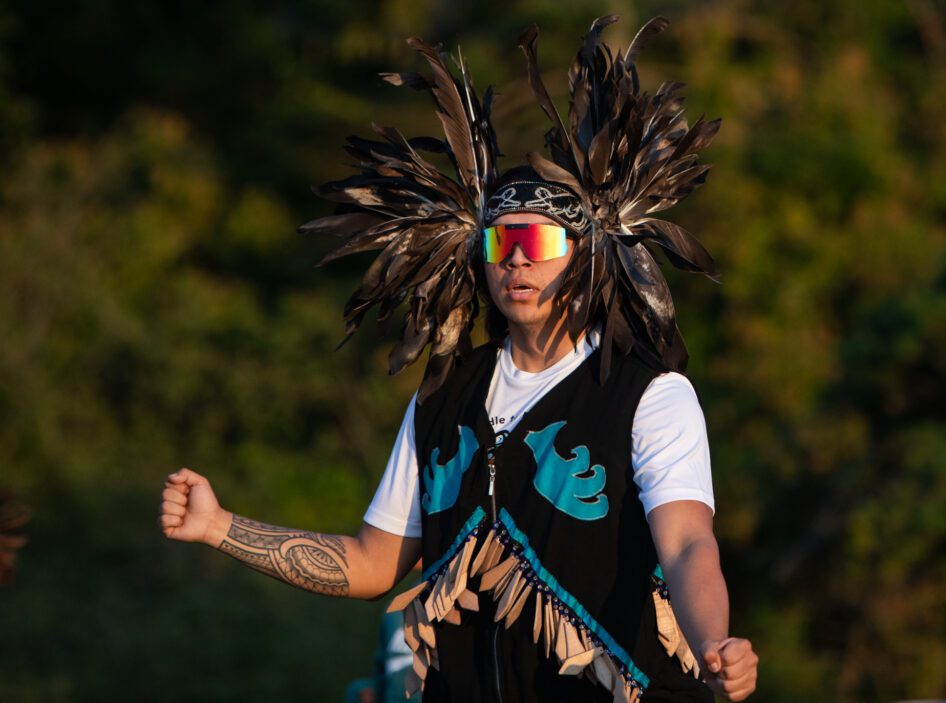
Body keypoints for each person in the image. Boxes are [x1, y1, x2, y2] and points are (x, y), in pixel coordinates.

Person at [159, 15, 758, 703]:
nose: (520, 262)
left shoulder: (648, 394)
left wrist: (715, 638)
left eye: (539, 241)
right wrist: (218, 526)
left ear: (588, 256)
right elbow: (371, 562)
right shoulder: (444, 395)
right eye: (500, 245)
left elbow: (686, 543)